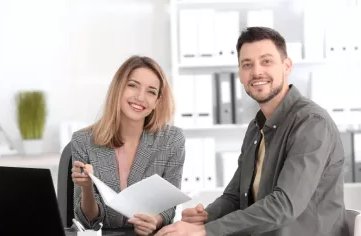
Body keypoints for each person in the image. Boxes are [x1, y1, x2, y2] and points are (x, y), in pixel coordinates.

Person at [155, 27, 349, 236]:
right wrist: (206, 217)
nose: (256, 72)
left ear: (286, 66)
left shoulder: (311, 124)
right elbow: (235, 197)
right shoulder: (256, 127)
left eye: (266, 61)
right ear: (240, 74)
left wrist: (206, 231)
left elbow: (284, 205)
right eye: (247, 64)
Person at [71, 55, 186, 236]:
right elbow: (88, 221)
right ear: (119, 88)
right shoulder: (84, 141)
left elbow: (169, 208)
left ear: (157, 101)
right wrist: (86, 187)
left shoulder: (171, 140)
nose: (140, 97)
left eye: (151, 91)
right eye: (133, 85)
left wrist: (153, 221)